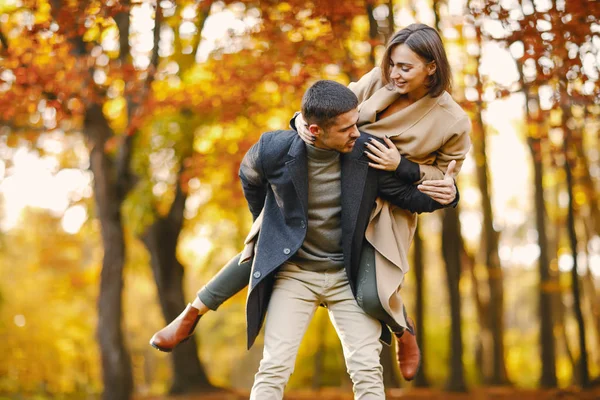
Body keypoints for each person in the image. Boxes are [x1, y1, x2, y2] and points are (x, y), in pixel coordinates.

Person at [150, 23, 471, 382]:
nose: (394, 74)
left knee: (370, 294)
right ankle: (192, 312)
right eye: (392, 64)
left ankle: (402, 328)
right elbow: (330, 110)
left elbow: (446, 180)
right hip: (338, 163)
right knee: (263, 244)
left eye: (405, 68)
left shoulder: (452, 120)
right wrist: (300, 124)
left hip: (385, 200)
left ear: (432, 67)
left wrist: (407, 168)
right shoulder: (379, 81)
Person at [248, 80, 455, 398]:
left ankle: (402, 329)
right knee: (274, 367)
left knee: (367, 370)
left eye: (355, 122)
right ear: (315, 130)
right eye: (345, 129)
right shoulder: (274, 149)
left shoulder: (366, 152)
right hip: (295, 275)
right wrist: (269, 224)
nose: (356, 133)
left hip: (348, 275)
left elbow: (410, 198)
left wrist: (449, 196)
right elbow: (249, 175)